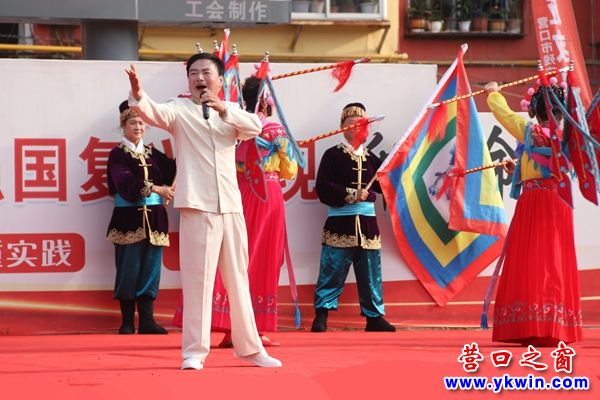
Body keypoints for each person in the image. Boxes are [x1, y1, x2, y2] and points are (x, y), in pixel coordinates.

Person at [126, 52, 282, 370]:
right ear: (188, 80)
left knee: (238, 278)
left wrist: (224, 109)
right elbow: (152, 111)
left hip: (231, 206)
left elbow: (254, 126)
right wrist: (139, 93)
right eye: (193, 73)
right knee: (199, 280)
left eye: (206, 72)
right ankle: (194, 352)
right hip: (198, 206)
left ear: (220, 80)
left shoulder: (231, 112)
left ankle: (250, 349)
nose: (199, 78)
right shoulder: (179, 110)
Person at [484, 81, 583, 346]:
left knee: (531, 259)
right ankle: (556, 324)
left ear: (535, 111)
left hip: (534, 202)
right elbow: (551, 165)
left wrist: (493, 93)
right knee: (555, 258)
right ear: (561, 112)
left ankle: (529, 322)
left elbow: (504, 115)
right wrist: (517, 168)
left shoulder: (531, 131)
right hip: (560, 202)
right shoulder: (571, 138)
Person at [211, 76, 298, 348]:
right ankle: (255, 330)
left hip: (237, 191)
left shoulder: (234, 124)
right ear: (266, 101)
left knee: (235, 257)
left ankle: (230, 327)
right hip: (266, 194)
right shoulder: (274, 129)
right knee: (263, 259)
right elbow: (289, 170)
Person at [310, 103, 396, 333]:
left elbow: (383, 186)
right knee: (331, 269)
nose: (356, 127)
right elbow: (323, 187)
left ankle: (374, 317)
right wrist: (350, 194)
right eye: (351, 123)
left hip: (367, 226)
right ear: (342, 127)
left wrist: (383, 179)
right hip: (340, 224)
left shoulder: (371, 159)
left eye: (360, 123)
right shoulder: (332, 155)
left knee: (371, 273)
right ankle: (321, 314)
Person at [106, 100, 176, 335]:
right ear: (123, 126)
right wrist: (156, 189)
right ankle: (126, 321)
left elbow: (173, 170)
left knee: (151, 269)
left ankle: (147, 321)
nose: (138, 127)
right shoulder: (117, 154)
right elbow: (124, 182)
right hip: (128, 219)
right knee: (128, 268)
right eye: (133, 123)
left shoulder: (153, 154)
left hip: (155, 220)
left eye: (142, 123)